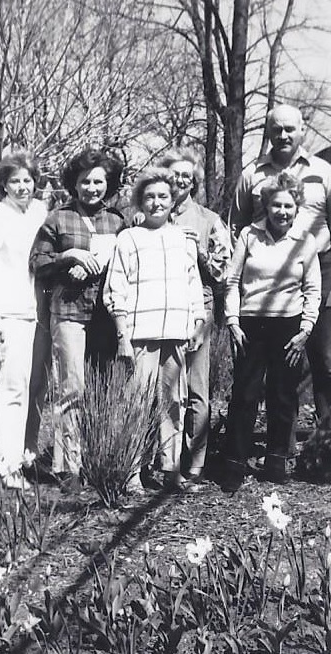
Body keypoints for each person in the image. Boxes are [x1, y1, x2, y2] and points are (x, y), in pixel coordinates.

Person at [232, 105, 331, 431]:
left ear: (302, 130)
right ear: (268, 132)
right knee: (278, 364)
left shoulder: (323, 172)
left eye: (289, 129)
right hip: (267, 276)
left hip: (319, 269)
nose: (283, 135)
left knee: (325, 360)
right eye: (277, 129)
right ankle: (280, 447)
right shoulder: (252, 174)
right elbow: (237, 227)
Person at [103, 168, 205, 492]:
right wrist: (122, 335)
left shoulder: (183, 239)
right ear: (140, 201)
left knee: (173, 403)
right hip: (140, 335)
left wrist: (197, 322)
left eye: (163, 196)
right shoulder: (128, 238)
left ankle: (171, 471)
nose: (156, 202)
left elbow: (193, 284)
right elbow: (115, 289)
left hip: (176, 333)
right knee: (136, 403)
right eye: (149, 197)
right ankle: (132, 472)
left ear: (173, 200)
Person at [29, 147, 126, 479]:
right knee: (72, 388)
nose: (92, 188)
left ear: (108, 184)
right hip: (70, 310)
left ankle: (98, 460)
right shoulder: (58, 218)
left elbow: (128, 263)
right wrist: (69, 256)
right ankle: (69, 467)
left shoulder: (117, 220)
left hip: (106, 315)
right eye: (85, 181)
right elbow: (37, 263)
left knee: (102, 388)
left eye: (98, 182)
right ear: (75, 183)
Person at [222, 173, 321, 492]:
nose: (282, 211)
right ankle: (234, 464)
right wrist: (233, 321)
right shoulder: (249, 235)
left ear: (297, 208)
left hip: (288, 326)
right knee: (244, 395)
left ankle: (276, 461)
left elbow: (313, 289)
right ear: (266, 206)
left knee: (283, 395)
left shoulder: (305, 240)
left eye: (288, 206)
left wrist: (306, 329)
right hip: (251, 325)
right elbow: (232, 282)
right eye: (276, 205)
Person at [0, 152, 49, 487]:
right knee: (11, 389)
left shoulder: (41, 213)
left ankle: (27, 457)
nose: (22, 186)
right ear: (3, 184)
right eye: (14, 181)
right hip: (9, 314)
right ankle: (8, 466)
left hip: (41, 312)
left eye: (27, 180)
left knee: (37, 388)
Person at [155, 148, 232, 484]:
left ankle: (195, 463)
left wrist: (198, 250)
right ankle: (161, 458)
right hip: (159, 308)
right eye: (174, 175)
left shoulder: (209, 219)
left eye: (186, 175)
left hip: (198, 308)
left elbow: (222, 273)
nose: (179, 181)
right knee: (163, 386)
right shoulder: (152, 211)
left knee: (197, 387)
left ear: (194, 181)